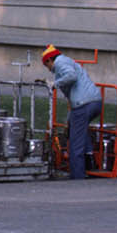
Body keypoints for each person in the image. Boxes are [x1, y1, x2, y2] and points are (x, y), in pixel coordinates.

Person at [42, 44, 102, 179]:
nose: (49, 69)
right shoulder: (68, 61)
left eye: (47, 66)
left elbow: (71, 76)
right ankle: (89, 158)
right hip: (94, 102)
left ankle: (78, 177)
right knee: (78, 128)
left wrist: (54, 84)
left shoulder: (60, 63)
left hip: (83, 104)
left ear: (49, 60)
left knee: (75, 144)